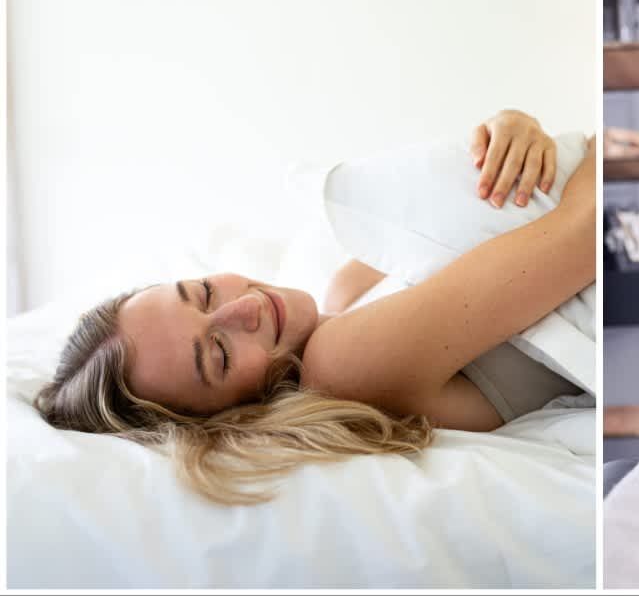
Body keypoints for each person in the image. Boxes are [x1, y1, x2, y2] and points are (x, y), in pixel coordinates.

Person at [34, 109, 596, 505]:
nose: (245, 308)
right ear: (231, 417)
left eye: (205, 293)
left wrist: (514, 135)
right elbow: (584, 232)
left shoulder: (343, 292)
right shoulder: (340, 365)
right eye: (220, 355)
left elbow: (482, 211)